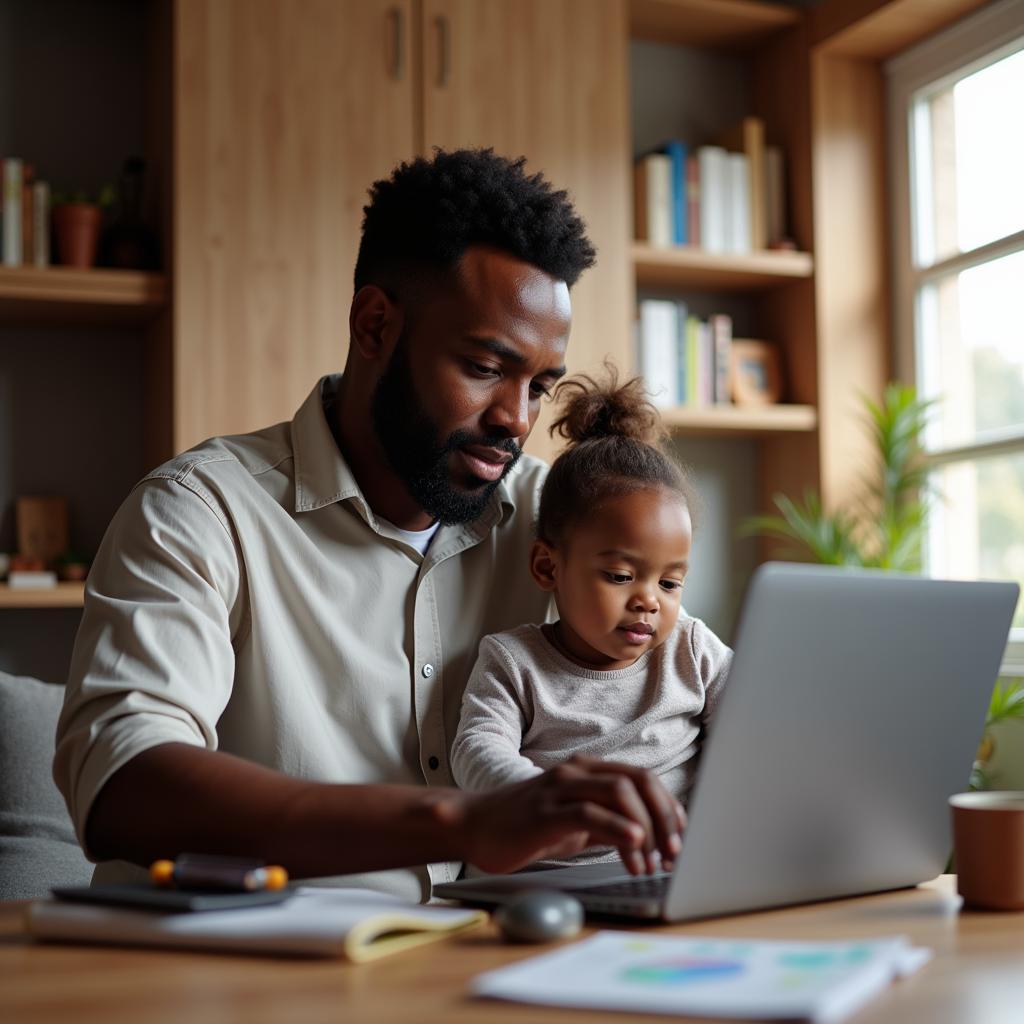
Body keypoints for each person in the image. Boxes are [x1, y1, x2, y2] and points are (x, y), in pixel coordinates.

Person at [54, 148, 684, 902]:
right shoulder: (198, 511)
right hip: (246, 974)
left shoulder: (557, 524)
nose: (516, 419)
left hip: (480, 962)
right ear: (375, 324)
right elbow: (123, 784)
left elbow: (673, 686)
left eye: (540, 387)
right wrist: (464, 820)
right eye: (485, 368)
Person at [450, 370, 733, 867]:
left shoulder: (689, 648)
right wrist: (547, 800)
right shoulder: (513, 660)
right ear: (548, 566)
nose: (650, 601)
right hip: (547, 880)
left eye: (669, 584)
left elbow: (759, 720)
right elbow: (476, 749)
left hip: (675, 874)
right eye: (621, 575)